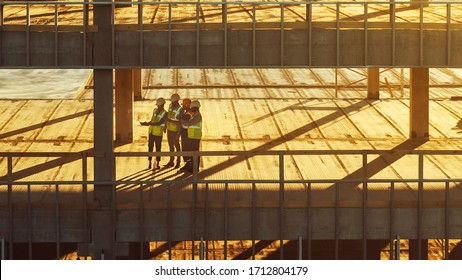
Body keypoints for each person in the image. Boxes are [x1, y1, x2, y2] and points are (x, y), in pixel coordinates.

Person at [140, 97, 167, 170]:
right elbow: (152, 120)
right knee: (150, 147)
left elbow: (159, 123)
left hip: (158, 134)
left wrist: (148, 123)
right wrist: (147, 123)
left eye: (159, 105)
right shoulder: (155, 110)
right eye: (157, 105)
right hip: (151, 132)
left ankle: (157, 163)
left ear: (163, 105)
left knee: (158, 149)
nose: (158, 107)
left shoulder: (165, 113)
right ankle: (149, 162)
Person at [180, 100, 202, 173]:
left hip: (195, 137)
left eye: (192, 108)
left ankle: (195, 168)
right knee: (193, 153)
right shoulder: (194, 115)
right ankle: (192, 167)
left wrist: (181, 119)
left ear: (196, 108)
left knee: (195, 153)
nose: (191, 109)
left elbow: (188, 124)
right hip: (192, 136)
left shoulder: (197, 116)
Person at [164, 93, 182, 168]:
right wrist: (165, 126)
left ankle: (178, 162)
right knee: (171, 146)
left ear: (176, 101)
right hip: (169, 129)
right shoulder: (170, 106)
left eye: (173, 101)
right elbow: (168, 116)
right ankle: (171, 161)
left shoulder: (180, 109)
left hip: (175, 131)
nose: (171, 102)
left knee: (177, 146)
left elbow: (180, 122)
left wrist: (178, 133)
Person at [177, 98, 191, 169]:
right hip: (184, 131)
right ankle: (187, 163)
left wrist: (180, 118)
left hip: (187, 132)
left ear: (188, 104)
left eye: (184, 105)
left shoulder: (189, 112)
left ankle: (189, 163)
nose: (183, 106)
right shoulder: (185, 111)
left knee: (187, 148)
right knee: (184, 148)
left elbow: (184, 120)